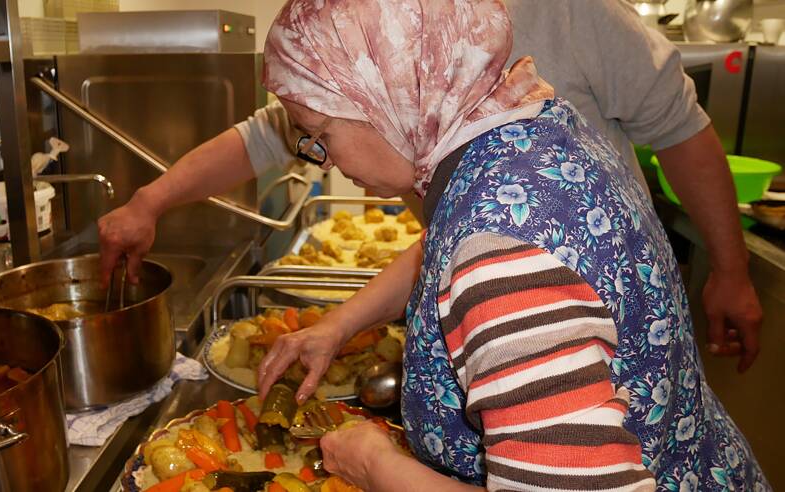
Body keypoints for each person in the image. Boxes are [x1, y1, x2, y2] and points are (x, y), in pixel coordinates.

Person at [251, 0, 767, 490]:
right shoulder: (524, 129)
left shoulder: (498, 257)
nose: (324, 160)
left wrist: (377, 466)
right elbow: (453, 246)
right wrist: (339, 325)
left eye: (319, 134)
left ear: (387, 96)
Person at [97, 0, 761, 373]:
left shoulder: (509, 245)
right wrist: (150, 199)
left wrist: (729, 269)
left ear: (398, 90)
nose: (317, 158)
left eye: (320, 134)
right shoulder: (489, 139)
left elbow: (566, 474)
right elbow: (269, 136)